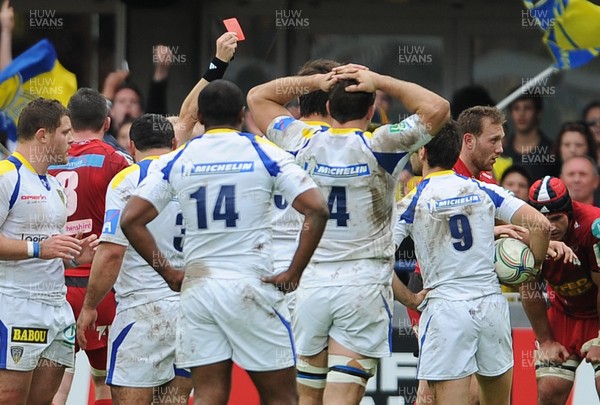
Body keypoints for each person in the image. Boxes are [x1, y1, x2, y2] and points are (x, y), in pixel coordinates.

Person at [248, 64, 450, 404]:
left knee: (307, 397)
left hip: (311, 287)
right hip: (362, 286)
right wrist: (380, 79)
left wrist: (314, 81)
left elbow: (257, 96)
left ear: (327, 108)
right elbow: (438, 108)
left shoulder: (303, 140)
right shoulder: (382, 145)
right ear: (372, 110)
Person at [120, 79, 329, 405]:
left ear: (200, 117)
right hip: (251, 284)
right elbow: (316, 208)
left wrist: (170, 273)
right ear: (242, 114)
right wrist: (294, 272)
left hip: (199, 288)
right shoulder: (264, 152)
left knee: (209, 395)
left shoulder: (178, 158)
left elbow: (131, 219)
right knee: (282, 397)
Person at [394, 120, 551, 405]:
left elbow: (378, 262)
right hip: (490, 307)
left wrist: (412, 298)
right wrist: (533, 267)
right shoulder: (484, 190)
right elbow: (541, 225)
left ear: (423, 153)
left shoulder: (411, 202)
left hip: (445, 310)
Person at [76, 114, 192, 404]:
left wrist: (89, 305)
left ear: (132, 146)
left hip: (144, 311)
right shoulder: (193, 176)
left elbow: (113, 251)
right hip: (192, 310)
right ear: (174, 143)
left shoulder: (128, 180)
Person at [0, 98, 97, 404]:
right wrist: (39, 248)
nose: (73, 139)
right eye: (66, 132)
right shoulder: (7, 176)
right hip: (16, 306)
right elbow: (40, 248)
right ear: (43, 135)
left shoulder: (54, 185)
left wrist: (74, 254)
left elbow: (50, 246)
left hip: (57, 309)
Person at [48, 88, 131, 405]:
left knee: (55, 387)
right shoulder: (116, 161)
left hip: (56, 286)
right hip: (100, 288)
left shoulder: (48, 162)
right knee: (105, 384)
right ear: (107, 123)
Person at [524, 176, 600, 405]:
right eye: (543, 221)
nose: (550, 227)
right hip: (563, 313)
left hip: (597, 313)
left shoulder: (594, 226)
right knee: (549, 391)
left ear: (570, 212)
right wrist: (545, 340)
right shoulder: (523, 232)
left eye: (557, 219)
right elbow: (528, 288)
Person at [502, 92, 554, 182]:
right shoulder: (502, 149)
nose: (521, 113)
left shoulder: (551, 150)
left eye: (527, 108)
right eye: (516, 108)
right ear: (510, 113)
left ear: (538, 113)